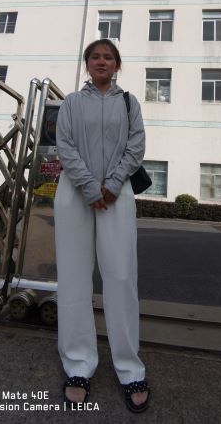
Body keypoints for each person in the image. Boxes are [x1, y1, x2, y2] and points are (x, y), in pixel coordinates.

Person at [54, 38, 150, 413]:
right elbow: (64, 145)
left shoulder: (130, 103)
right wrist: (90, 186)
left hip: (117, 193)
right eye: (95, 56)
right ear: (87, 63)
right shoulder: (71, 103)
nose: (102, 61)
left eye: (108, 57)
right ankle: (78, 365)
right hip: (74, 193)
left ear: (117, 65)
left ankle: (129, 367)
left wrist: (110, 185)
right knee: (74, 278)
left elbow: (136, 146)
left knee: (121, 276)